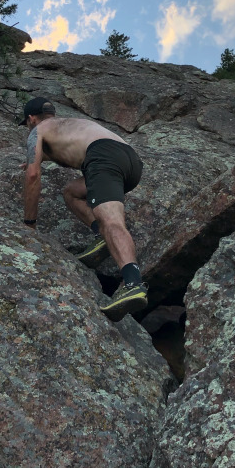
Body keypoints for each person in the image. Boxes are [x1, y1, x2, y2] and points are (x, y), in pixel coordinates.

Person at [19, 96, 147, 320]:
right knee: (71, 192)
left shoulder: (37, 131)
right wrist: (42, 158)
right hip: (130, 162)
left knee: (112, 221)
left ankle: (133, 283)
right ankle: (101, 236)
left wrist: (29, 224)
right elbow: (66, 149)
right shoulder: (68, 125)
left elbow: (32, 175)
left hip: (102, 157)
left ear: (30, 118)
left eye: (27, 123)